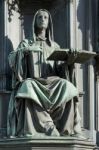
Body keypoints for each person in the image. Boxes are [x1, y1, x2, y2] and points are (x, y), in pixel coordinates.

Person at [7, 9, 81, 137]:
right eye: (39, 17)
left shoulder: (55, 46)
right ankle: (47, 127)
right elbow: (12, 59)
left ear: (49, 23)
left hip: (53, 81)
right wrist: (26, 50)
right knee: (27, 87)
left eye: (45, 17)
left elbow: (60, 70)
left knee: (68, 86)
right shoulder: (27, 42)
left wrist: (69, 62)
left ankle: (66, 130)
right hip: (35, 81)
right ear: (34, 21)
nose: (42, 19)